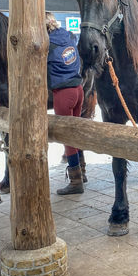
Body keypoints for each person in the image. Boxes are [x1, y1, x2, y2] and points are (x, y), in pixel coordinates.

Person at [46, 12, 86, 195]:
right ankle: (82, 171)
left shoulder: (46, 43)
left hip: (63, 93)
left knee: (67, 138)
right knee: (76, 133)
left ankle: (75, 182)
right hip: (78, 90)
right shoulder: (69, 35)